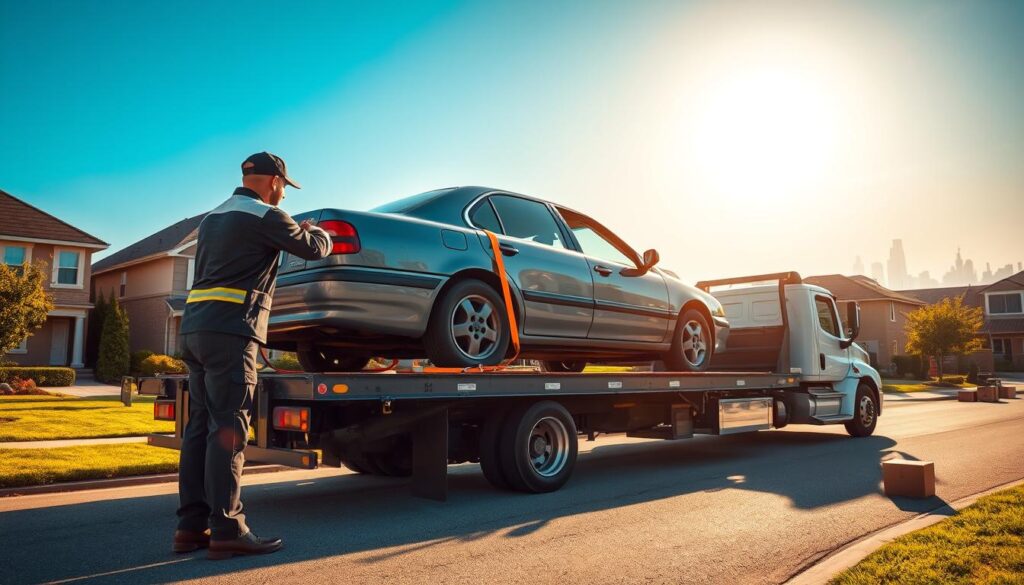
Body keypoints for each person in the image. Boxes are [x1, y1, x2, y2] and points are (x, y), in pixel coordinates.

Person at [172, 152, 332, 560]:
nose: (283, 193)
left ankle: (191, 528)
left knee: (200, 429)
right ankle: (228, 529)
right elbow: (314, 249)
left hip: (193, 330)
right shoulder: (266, 216)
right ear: (275, 181)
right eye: (284, 186)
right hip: (230, 333)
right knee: (229, 431)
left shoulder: (214, 217)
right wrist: (317, 231)